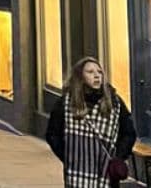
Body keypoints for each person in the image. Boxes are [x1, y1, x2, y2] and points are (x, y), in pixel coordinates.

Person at [45, 57, 136, 188]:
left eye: (99, 72)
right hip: (77, 174)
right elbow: (52, 134)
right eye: (90, 72)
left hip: (106, 171)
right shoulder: (66, 103)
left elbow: (129, 133)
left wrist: (118, 157)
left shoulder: (115, 103)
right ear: (80, 76)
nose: (96, 76)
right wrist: (69, 157)